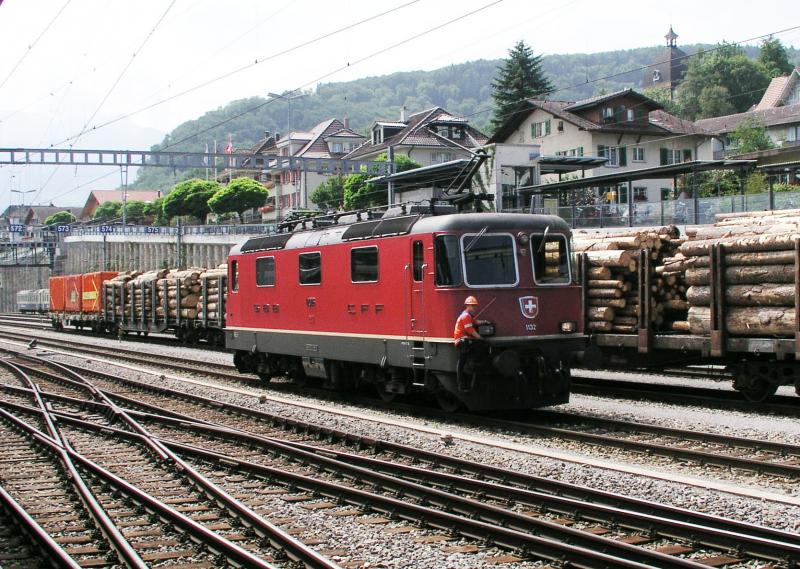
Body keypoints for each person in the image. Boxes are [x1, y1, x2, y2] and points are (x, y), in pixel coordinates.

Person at [453, 295, 488, 391]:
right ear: (467, 306)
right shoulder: (466, 316)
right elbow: (470, 329)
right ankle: (474, 364)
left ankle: (473, 364)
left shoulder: (466, 315)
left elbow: (475, 322)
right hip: (462, 341)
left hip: (463, 340)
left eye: (475, 306)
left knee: (463, 360)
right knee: (479, 345)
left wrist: (484, 322)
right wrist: (480, 337)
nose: (474, 308)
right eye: (472, 306)